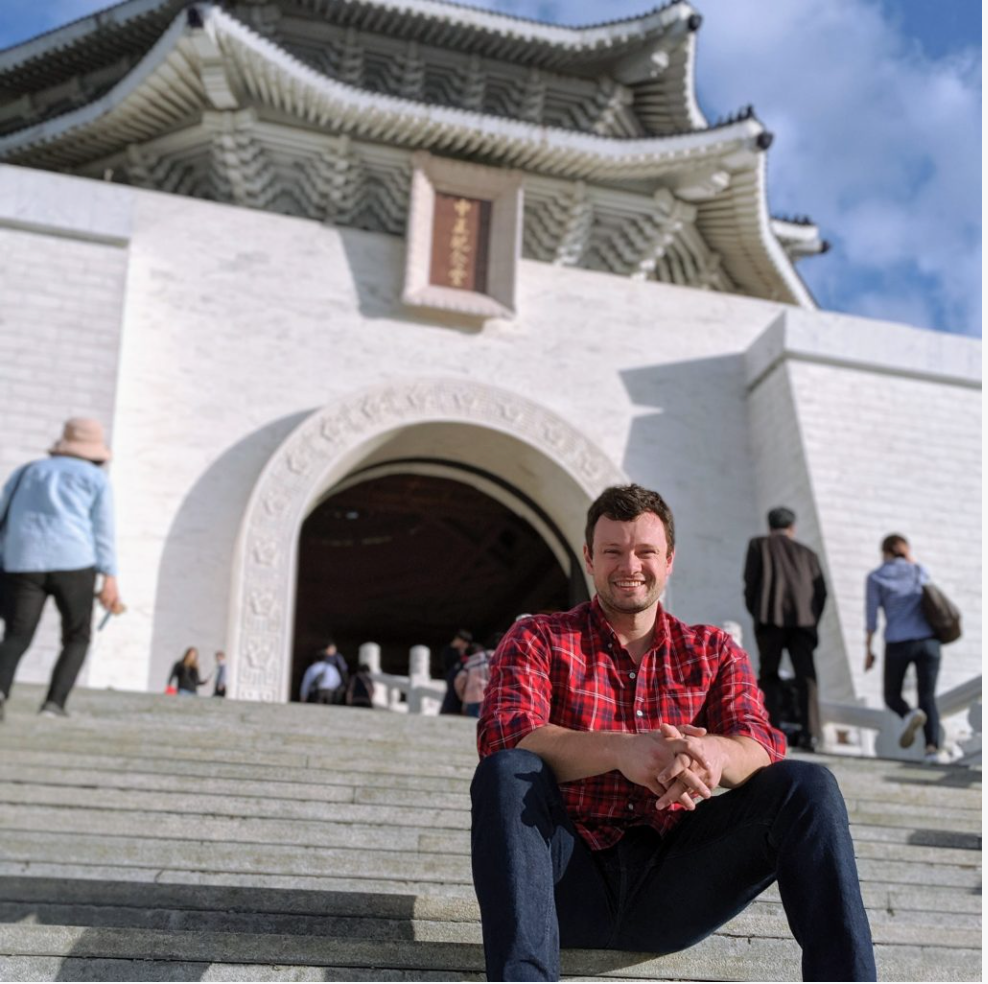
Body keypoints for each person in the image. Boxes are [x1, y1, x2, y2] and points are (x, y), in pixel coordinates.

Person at [473, 484, 875, 983]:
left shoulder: (712, 650)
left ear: (669, 560)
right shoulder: (538, 637)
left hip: (672, 883)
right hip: (560, 881)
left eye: (645, 551)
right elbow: (504, 738)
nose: (630, 566)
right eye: (612, 552)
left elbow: (760, 743)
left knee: (807, 786)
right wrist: (622, 750)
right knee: (511, 770)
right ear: (588, 558)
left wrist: (711, 755)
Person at [0, 418, 123, 721]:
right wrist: (110, 577)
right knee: (76, 636)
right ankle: (53, 705)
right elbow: (103, 530)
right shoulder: (96, 479)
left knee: (17, 634)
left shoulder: (27, 472)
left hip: (23, 563)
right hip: (75, 563)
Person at [743, 506, 827, 750]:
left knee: (769, 675)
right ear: (792, 527)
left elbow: (750, 583)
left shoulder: (759, 545)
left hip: (770, 619)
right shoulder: (808, 554)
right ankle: (811, 734)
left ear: (770, 526)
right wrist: (811, 618)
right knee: (807, 678)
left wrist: (757, 612)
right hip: (804, 622)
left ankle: (773, 731)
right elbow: (821, 592)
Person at [865, 534, 944, 763]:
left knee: (891, 695)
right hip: (928, 642)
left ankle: (909, 714)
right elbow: (930, 592)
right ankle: (932, 750)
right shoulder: (918, 570)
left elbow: (871, 618)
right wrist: (911, 559)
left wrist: (868, 650)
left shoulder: (876, 577)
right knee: (927, 696)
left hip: (898, 642)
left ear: (884, 552)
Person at [300, 640, 348, 704]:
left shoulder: (313, 668)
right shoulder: (332, 668)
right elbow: (337, 680)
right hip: (330, 691)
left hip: (318, 691)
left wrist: (303, 695)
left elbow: (306, 682)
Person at [438, 629, 473, 715]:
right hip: (452, 680)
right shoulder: (448, 651)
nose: (465, 645)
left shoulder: (462, 653)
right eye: (464, 642)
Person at [455, 641, 492, 718]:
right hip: (488, 698)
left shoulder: (469, 663)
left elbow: (459, 681)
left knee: (472, 725)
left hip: (471, 699)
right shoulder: (490, 660)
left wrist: (461, 695)